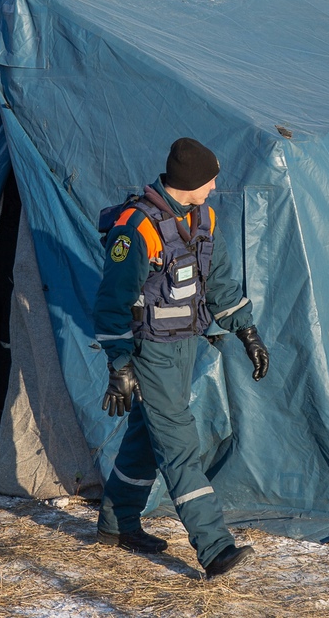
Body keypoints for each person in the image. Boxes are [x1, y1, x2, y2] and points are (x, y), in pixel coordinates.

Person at [94, 138, 270, 579]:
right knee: (179, 448)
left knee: (144, 436)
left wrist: (247, 331)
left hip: (186, 347)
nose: (214, 185)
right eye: (210, 179)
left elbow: (222, 281)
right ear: (191, 181)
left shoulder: (205, 217)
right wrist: (119, 365)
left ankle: (117, 524)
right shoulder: (136, 228)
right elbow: (111, 304)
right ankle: (215, 548)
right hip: (151, 352)